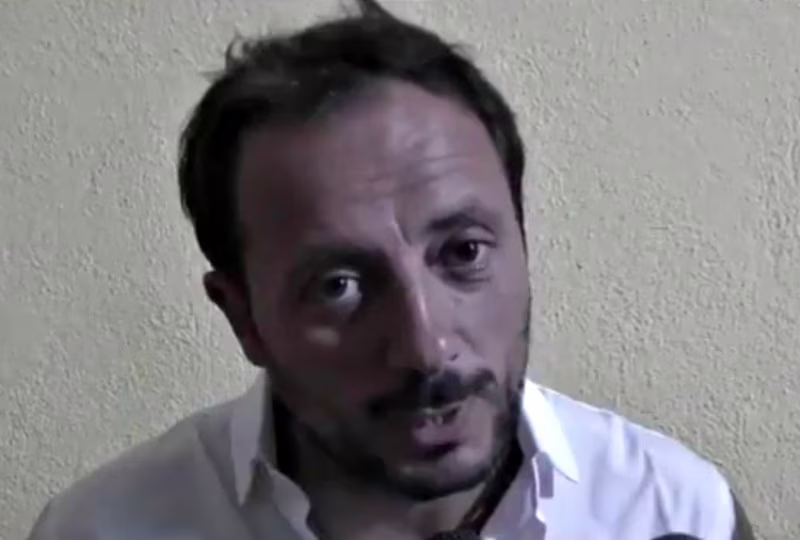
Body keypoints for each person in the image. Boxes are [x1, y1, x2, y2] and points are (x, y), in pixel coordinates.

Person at [27, 1, 755, 539]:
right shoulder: (102, 530)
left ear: (523, 245)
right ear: (243, 316)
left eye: (464, 253)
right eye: (339, 286)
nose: (426, 348)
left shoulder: (673, 512)